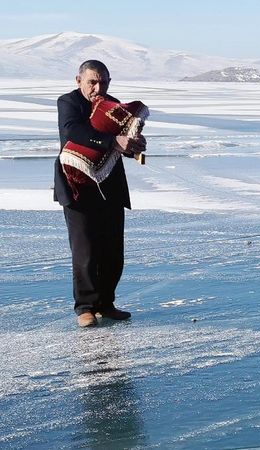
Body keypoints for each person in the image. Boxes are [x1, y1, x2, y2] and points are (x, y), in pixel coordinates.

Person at [55, 60, 146, 327]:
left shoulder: (113, 106)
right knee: (85, 250)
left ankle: (106, 304)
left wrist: (133, 146)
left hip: (110, 186)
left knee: (113, 250)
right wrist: (112, 141)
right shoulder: (69, 102)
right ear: (78, 80)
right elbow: (74, 131)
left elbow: (123, 145)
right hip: (77, 186)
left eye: (103, 82)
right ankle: (85, 307)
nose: (98, 87)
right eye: (92, 81)